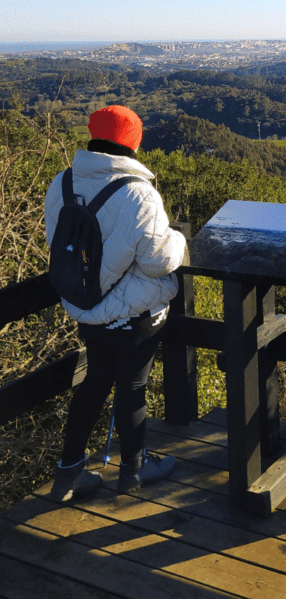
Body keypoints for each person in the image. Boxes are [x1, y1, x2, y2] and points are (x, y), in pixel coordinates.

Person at [45, 105, 187, 502]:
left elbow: (56, 243)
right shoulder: (138, 193)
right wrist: (179, 239)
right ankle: (133, 472)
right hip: (133, 316)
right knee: (132, 386)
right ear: (134, 144)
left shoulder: (62, 183)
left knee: (94, 383)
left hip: (85, 309)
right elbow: (160, 259)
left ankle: (69, 473)